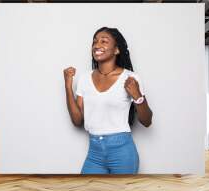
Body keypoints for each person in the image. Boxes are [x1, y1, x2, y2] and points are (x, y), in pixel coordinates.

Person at [63, 27, 153, 174]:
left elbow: (147, 121)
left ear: (116, 50)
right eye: (95, 42)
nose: (97, 45)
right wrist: (68, 85)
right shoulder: (85, 79)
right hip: (94, 152)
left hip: (122, 151)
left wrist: (137, 96)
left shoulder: (130, 78)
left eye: (104, 41)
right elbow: (77, 120)